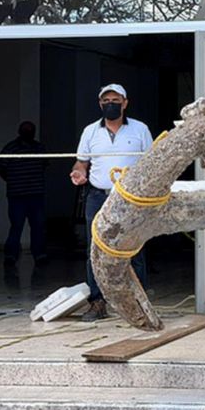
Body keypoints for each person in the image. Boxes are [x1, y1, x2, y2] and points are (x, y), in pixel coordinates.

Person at [70, 84, 152, 322]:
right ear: (100, 104)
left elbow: (151, 162)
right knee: (95, 250)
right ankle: (98, 302)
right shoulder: (90, 131)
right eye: (106, 101)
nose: (110, 104)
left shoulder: (140, 129)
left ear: (125, 103)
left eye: (115, 100)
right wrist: (78, 173)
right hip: (97, 196)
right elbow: (81, 162)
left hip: (130, 198)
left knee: (134, 248)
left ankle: (138, 303)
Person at [0, 121, 49, 267]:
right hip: (17, 196)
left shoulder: (39, 148)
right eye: (25, 130)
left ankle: (39, 255)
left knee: (38, 226)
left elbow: (44, 165)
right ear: (19, 132)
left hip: (36, 194)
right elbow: (1, 168)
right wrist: (14, 181)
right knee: (16, 226)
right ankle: (10, 255)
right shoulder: (10, 148)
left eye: (30, 130)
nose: (28, 133)